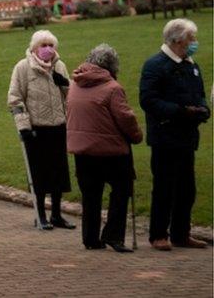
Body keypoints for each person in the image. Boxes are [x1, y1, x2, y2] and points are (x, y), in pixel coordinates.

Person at [140, 18, 210, 251]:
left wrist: (202, 110)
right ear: (178, 40)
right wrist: (179, 111)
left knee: (186, 189)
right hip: (165, 137)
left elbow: (199, 94)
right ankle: (158, 234)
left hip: (187, 137)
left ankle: (182, 233)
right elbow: (148, 100)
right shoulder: (155, 65)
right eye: (191, 39)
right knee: (164, 188)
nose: (194, 43)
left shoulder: (192, 65)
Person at [67, 44, 143, 252]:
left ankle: (90, 238)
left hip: (82, 152)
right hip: (111, 151)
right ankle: (113, 235)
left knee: (90, 196)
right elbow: (126, 118)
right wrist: (136, 136)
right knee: (122, 190)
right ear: (112, 66)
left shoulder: (75, 84)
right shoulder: (113, 88)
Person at [8, 30, 74, 230]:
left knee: (58, 173)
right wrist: (23, 126)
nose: (48, 50)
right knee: (39, 174)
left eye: (51, 45)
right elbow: (15, 99)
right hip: (36, 130)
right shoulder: (23, 67)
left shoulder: (59, 66)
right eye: (43, 46)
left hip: (58, 126)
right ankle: (40, 215)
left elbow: (69, 95)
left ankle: (56, 214)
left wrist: (67, 85)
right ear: (34, 48)